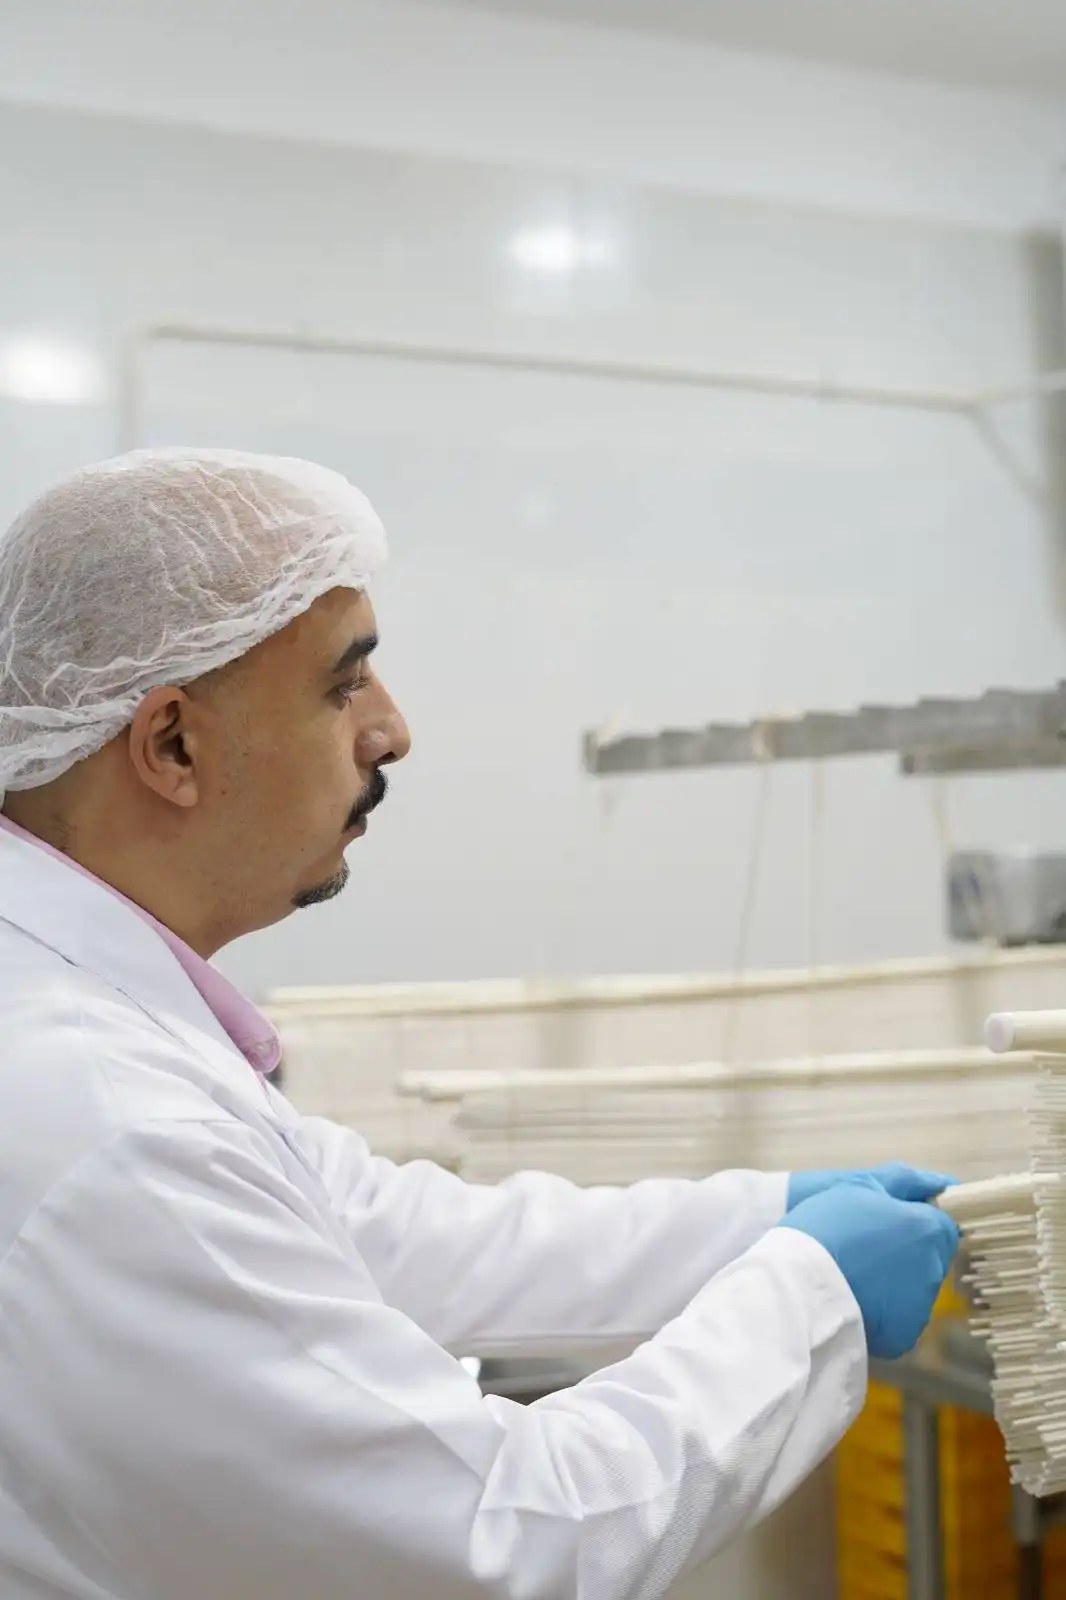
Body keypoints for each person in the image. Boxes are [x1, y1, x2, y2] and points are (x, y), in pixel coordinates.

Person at [0, 448, 958, 1600]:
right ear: (171, 745)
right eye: (343, 684)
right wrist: (811, 1296)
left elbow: (380, 1234)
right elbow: (512, 1540)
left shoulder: (80, 1014)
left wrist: (762, 1217)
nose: (391, 731)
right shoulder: (116, 1131)